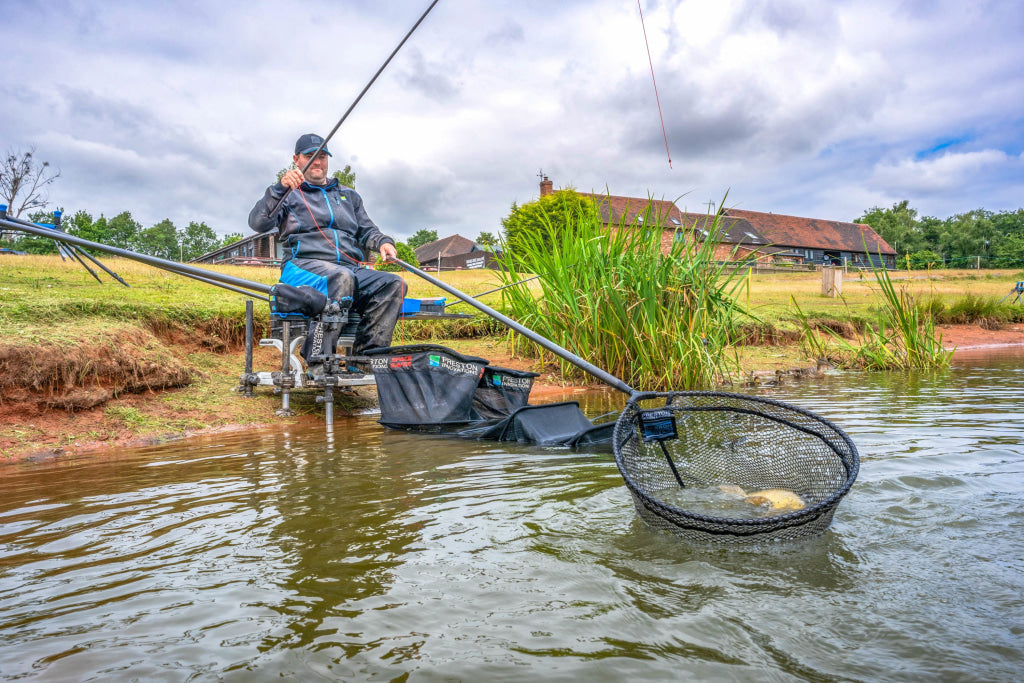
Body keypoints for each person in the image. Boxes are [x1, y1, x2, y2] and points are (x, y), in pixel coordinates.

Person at [249, 133, 405, 373]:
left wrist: (383, 242)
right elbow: (257, 223)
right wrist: (279, 188)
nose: (318, 162)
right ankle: (318, 359)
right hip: (302, 265)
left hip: (349, 269)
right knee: (339, 277)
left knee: (393, 283)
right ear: (296, 159)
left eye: (322, 156)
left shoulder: (349, 195)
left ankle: (366, 360)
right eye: (310, 156)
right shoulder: (287, 194)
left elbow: (367, 230)